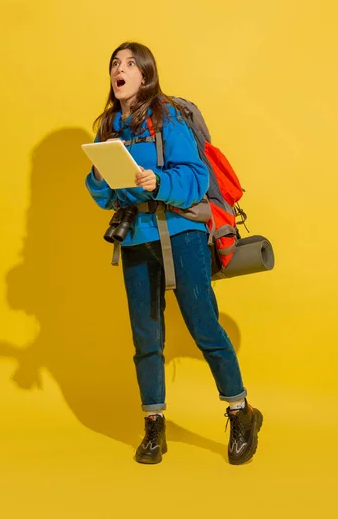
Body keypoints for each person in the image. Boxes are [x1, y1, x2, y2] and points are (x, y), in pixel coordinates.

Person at [85, 41, 263, 465]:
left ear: (145, 75)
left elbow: (196, 178)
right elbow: (102, 194)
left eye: (130, 63)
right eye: (115, 63)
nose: (119, 69)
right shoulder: (109, 127)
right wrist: (97, 175)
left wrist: (158, 183)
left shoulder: (168, 119)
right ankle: (154, 427)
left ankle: (241, 413)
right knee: (146, 337)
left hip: (181, 233)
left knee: (204, 326)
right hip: (134, 237)